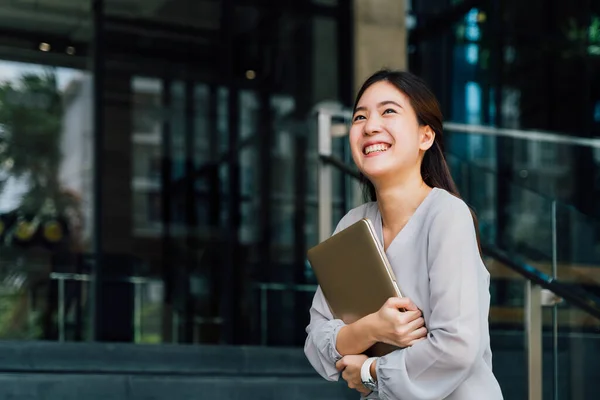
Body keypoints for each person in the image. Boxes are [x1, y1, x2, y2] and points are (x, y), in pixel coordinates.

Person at [304, 69, 503, 400]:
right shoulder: (353, 225)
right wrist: (374, 328)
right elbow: (317, 341)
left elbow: (457, 346)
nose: (370, 126)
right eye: (359, 116)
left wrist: (369, 371)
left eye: (388, 111)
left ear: (426, 136)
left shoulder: (447, 215)